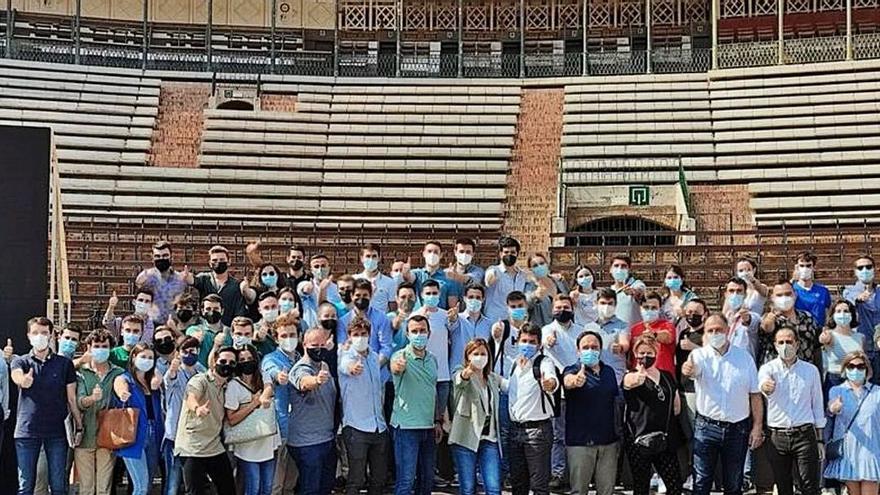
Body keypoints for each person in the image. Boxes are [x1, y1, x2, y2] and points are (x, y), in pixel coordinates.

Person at [681, 313, 765, 495]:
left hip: (738, 428)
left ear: (728, 330)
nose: (715, 333)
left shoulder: (744, 358)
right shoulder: (699, 355)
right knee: (701, 482)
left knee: (733, 483)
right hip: (706, 427)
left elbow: (755, 395)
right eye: (710, 330)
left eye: (718, 330)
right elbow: (691, 369)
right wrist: (688, 369)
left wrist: (757, 426)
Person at [11, 316, 82, 495]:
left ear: (51, 335)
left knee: (58, 485)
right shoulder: (21, 361)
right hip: (27, 432)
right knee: (26, 486)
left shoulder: (64, 364)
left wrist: (79, 426)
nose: (40, 336)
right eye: (35, 333)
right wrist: (23, 381)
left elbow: (71, 399)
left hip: (57, 434)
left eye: (44, 333)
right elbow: (17, 376)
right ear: (28, 336)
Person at [757, 327, 825, 495]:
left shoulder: (810, 370)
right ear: (775, 345)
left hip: (804, 434)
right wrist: (766, 386)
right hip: (777, 436)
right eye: (781, 342)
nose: (785, 345)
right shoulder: (768, 369)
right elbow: (763, 384)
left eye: (789, 341)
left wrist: (820, 439)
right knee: (783, 485)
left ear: (797, 344)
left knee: (809, 485)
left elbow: (817, 404)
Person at [622, 334, 683, 495]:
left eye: (649, 353)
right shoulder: (630, 375)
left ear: (656, 353)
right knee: (641, 485)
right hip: (639, 439)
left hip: (664, 438)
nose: (645, 357)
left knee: (674, 484)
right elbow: (628, 383)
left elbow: (676, 406)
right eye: (641, 353)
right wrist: (638, 379)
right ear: (635, 354)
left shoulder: (667, 376)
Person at [174, 346, 237, 495]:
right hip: (192, 447)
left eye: (231, 362)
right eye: (223, 361)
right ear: (215, 361)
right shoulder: (200, 380)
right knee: (195, 492)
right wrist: (197, 409)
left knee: (228, 489)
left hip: (214, 446)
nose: (227, 365)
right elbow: (191, 396)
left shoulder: (228, 386)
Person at [563, 331, 620, 495]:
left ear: (601, 350)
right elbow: (567, 382)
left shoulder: (608, 372)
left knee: (607, 490)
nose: (590, 350)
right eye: (585, 347)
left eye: (594, 347)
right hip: (580, 443)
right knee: (579, 490)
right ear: (578, 351)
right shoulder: (572, 370)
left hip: (608, 443)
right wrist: (575, 381)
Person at [390, 315, 441, 495]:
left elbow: (432, 390)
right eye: (415, 331)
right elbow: (396, 368)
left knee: (427, 481)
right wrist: (398, 367)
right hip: (406, 428)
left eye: (422, 331)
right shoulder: (400, 356)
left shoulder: (433, 359)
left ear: (429, 332)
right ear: (407, 334)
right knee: (406, 480)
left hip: (428, 427)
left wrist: (437, 421)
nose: (419, 335)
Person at [338, 318, 389, 495]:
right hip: (356, 427)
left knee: (379, 478)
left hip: (378, 427)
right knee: (356, 479)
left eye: (364, 334)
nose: (360, 338)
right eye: (356, 334)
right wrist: (352, 368)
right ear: (350, 337)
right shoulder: (344, 356)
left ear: (369, 335)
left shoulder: (374, 357)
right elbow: (346, 367)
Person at [507, 323, 558, 495]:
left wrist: (549, 384)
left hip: (538, 432)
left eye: (532, 341)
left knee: (539, 485)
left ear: (539, 345)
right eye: (524, 340)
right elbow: (511, 388)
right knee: (517, 483)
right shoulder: (514, 364)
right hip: (515, 430)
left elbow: (551, 380)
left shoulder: (544, 362)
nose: (527, 344)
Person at [450, 338, 505, 495]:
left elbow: (511, 386)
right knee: (468, 488)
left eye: (483, 353)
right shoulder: (459, 370)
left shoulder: (492, 378)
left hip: (489, 439)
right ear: (468, 356)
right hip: (466, 438)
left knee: (494, 487)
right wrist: (467, 373)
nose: (480, 357)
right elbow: (460, 380)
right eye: (475, 353)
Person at [540, 294, 583, 488]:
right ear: (552, 310)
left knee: (577, 434)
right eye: (558, 308)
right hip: (556, 391)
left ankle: (577, 474)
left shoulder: (581, 331)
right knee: (557, 435)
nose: (561, 310)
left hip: (578, 387)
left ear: (572, 309)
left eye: (565, 307)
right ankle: (557, 473)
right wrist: (547, 342)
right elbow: (542, 350)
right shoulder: (546, 330)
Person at [74, 329, 124, 495]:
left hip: (108, 437)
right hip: (85, 436)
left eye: (105, 346)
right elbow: (79, 402)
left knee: (104, 488)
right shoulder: (81, 372)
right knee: (86, 488)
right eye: (97, 346)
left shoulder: (117, 372)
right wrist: (92, 399)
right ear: (88, 347)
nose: (101, 349)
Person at [824, 351, 880, 495]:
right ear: (845, 369)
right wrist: (832, 409)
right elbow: (829, 413)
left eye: (861, 366)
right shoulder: (836, 390)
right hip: (848, 452)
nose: (856, 370)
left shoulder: (877, 392)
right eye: (851, 366)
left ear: (867, 369)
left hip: (871, 451)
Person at [289, 328, 337, 495]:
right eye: (314, 345)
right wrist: (316, 381)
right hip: (307, 443)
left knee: (325, 487)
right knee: (311, 489)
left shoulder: (324, 365)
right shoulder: (300, 368)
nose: (319, 348)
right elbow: (303, 382)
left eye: (322, 345)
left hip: (327, 438)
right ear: (304, 345)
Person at [225, 345, 278, 495]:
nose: (246, 362)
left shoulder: (263, 375)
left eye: (249, 358)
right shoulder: (233, 385)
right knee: (252, 488)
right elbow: (232, 419)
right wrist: (254, 404)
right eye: (242, 359)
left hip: (267, 440)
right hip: (247, 444)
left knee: (267, 488)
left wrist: (263, 397)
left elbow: (269, 387)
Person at [113, 343, 164, 495]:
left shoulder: (152, 381)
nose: (147, 360)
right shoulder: (125, 378)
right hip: (133, 434)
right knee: (140, 486)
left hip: (154, 434)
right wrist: (123, 393)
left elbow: (159, 381)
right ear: (134, 357)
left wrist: (155, 371)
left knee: (147, 485)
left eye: (150, 358)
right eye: (143, 357)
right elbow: (120, 386)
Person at [261, 313, 300, 495]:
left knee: (291, 480)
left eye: (292, 335)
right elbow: (272, 371)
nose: (289, 339)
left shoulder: (301, 358)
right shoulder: (271, 358)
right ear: (276, 338)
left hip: (300, 429)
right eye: (284, 336)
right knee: (276, 480)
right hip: (280, 426)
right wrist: (279, 376)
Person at [163, 337, 205, 495]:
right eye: (185, 351)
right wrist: (173, 369)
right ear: (178, 353)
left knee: (192, 479)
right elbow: (169, 381)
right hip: (175, 433)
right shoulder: (174, 371)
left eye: (192, 351)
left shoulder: (202, 371)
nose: (189, 354)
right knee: (173, 478)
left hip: (196, 432)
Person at [760, 278, 821, 368]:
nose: (784, 298)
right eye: (779, 295)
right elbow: (767, 327)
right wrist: (772, 316)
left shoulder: (807, 317)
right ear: (772, 298)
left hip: (805, 373)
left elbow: (816, 348)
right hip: (777, 373)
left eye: (788, 294)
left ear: (795, 295)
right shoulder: (770, 318)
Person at [187, 245, 247, 325]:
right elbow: (192, 280)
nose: (218, 262)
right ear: (210, 263)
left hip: (228, 329)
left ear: (229, 261)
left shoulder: (236, 285)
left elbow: (239, 312)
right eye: (214, 260)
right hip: (206, 328)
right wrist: (186, 276)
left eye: (222, 260)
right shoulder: (204, 279)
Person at [843, 256, 880, 381]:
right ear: (855, 272)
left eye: (869, 267)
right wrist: (858, 299)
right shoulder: (849, 291)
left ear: (874, 269)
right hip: (861, 350)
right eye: (860, 268)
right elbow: (850, 304)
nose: (865, 270)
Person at [135, 241, 189, 325]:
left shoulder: (180, 279)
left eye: (165, 255)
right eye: (157, 256)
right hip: (149, 324)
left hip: (171, 325)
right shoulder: (145, 277)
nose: (161, 258)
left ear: (171, 257)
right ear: (152, 258)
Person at [821, 300, 865, 398]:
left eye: (846, 311)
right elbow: (823, 339)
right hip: (834, 380)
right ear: (833, 315)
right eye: (838, 311)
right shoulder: (830, 335)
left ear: (852, 314)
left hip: (856, 381)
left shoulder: (860, 337)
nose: (842, 314)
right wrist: (823, 338)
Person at [629, 291, 677, 375]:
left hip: (664, 376)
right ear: (640, 308)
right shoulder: (634, 329)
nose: (649, 310)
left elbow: (668, 337)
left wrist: (654, 334)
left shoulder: (667, 325)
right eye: (646, 307)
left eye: (654, 308)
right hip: (640, 375)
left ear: (660, 308)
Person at [448, 283, 492, 373]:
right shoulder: (458, 319)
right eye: (471, 297)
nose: (474, 300)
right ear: (464, 299)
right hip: (458, 372)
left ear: (483, 299)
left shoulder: (489, 324)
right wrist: (452, 318)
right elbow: (451, 324)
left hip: (480, 374)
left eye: (478, 297)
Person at [407, 240, 462, 310]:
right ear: (424, 254)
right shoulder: (417, 274)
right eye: (429, 251)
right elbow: (408, 279)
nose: (432, 254)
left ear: (441, 255)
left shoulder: (449, 278)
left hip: (440, 317)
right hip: (419, 318)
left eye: (436, 252)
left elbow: (452, 306)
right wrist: (406, 273)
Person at [484, 236, 527, 321]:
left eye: (512, 252)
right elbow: (488, 280)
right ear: (500, 254)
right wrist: (491, 278)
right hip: (495, 320)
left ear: (517, 254)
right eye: (506, 252)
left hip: (514, 321)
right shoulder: (494, 270)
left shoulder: (522, 275)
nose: (509, 255)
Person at [594, 288, 630, 383]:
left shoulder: (622, 325)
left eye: (610, 303)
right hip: (595, 377)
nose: (606, 306)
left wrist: (621, 347)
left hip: (616, 376)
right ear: (596, 303)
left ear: (615, 305)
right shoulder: (589, 327)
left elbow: (625, 343)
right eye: (603, 303)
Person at [525, 253, 568, 328]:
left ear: (547, 264)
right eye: (535, 266)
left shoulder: (559, 281)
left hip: (563, 327)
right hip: (541, 329)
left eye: (542, 263)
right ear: (530, 269)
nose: (540, 267)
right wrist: (535, 296)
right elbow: (524, 305)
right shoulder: (529, 286)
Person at [722, 277, 761, 359]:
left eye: (739, 291)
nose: (735, 294)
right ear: (726, 294)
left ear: (745, 295)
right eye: (731, 291)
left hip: (744, 366)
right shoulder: (724, 318)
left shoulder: (753, 316)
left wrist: (747, 319)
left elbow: (751, 322)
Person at [792, 251, 833, 328]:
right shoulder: (791, 290)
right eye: (802, 266)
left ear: (813, 267)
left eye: (808, 266)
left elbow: (828, 312)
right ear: (797, 267)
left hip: (819, 332)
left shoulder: (823, 291)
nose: (805, 269)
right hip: (798, 332)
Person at [354, 243, 397, 313]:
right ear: (362, 258)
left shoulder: (390, 283)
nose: (371, 259)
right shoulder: (354, 280)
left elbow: (392, 308)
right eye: (368, 256)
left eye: (374, 256)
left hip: (381, 322)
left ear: (379, 258)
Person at [608, 254, 646, 325]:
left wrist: (633, 291)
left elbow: (639, 290)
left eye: (623, 266)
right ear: (610, 270)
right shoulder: (609, 291)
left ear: (629, 269)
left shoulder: (636, 283)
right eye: (616, 266)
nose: (620, 269)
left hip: (634, 333)